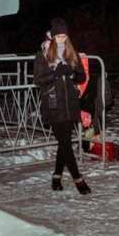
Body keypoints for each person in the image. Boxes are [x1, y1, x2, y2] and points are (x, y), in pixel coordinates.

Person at [34, 18, 91, 194]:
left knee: (64, 142)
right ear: (52, 36)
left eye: (64, 36)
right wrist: (55, 74)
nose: (61, 39)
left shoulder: (70, 52)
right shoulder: (43, 54)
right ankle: (78, 178)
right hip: (53, 103)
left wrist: (72, 74)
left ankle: (57, 176)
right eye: (58, 36)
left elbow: (82, 76)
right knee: (65, 142)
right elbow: (38, 80)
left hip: (70, 103)